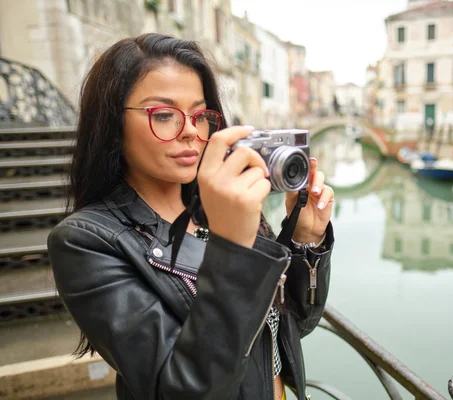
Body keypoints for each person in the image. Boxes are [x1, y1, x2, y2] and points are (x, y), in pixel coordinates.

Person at [47, 33, 335, 400]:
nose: (190, 132)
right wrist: (232, 249)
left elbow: (290, 326)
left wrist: (305, 241)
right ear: (113, 127)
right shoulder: (85, 242)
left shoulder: (220, 204)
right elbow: (183, 391)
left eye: (200, 115)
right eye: (164, 115)